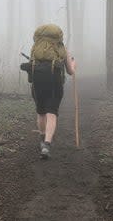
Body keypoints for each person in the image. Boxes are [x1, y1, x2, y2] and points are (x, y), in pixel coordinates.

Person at [21, 24, 76, 159]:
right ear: (58, 37)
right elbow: (70, 71)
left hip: (37, 84)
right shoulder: (62, 49)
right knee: (52, 113)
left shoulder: (36, 49)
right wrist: (74, 64)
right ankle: (47, 144)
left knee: (41, 112)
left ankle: (42, 137)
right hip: (55, 85)